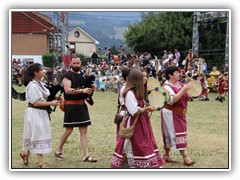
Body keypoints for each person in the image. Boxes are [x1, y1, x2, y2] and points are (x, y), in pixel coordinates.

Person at [111, 69, 165, 168]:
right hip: (134, 123)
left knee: (141, 143)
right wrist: (147, 108)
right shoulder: (129, 93)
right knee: (131, 145)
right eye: (142, 77)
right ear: (136, 79)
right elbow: (134, 111)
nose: (145, 78)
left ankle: (137, 165)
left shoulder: (137, 91)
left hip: (141, 121)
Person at [55, 54, 97, 162]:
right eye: (74, 63)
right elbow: (68, 90)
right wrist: (82, 91)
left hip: (82, 105)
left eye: (78, 63)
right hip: (71, 105)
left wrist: (92, 86)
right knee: (69, 130)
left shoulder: (83, 74)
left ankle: (85, 155)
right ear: (71, 63)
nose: (76, 65)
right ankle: (58, 150)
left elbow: (86, 84)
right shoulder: (67, 75)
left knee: (84, 131)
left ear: (80, 63)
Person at [20, 63, 59, 168]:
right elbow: (36, 102)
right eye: (41, 70)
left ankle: (25, 154)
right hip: (34, 113)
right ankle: (41, 162)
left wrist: (55, 98)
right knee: (37, 135)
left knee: (32, 134)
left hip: (41, 113)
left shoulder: (39, 84)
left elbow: (45, 96)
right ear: (35, 73)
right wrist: (50, 103)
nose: (43, 72)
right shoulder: (32, 86)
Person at [160, 66, 195, 166]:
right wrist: (184, 90)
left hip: (179, 113)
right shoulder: (166, 86)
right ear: (170, 75)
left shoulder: (179, 84)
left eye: (179, 72)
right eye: (176, 72)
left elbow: (185, 95)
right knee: (176, 133)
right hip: (170, 113)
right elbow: (172, 100)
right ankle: (185, 157)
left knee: (174, 133)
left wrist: (189, 95)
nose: (179, 74)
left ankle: (166, 155)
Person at [115, 67, 132, 142]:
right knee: (124, 137)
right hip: (126, 113)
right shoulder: (126, 88)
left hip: (127, 113)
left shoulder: (127, 87)